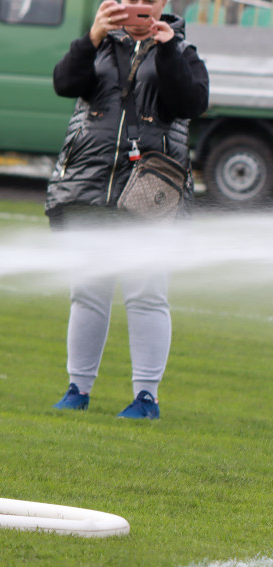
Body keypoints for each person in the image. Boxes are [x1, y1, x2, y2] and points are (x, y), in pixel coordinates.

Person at [44, 0, 208, 420]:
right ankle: (77, 389)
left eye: (149, 1)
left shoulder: (183, 52)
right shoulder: (97, 47)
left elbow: (190, 102)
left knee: (146, 294)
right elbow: (64, 83)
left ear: (163, 5)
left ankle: (146, 398)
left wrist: (168, 50)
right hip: (90, 188)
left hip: (150, 194)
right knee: (87, 291)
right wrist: (92, 36)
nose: (140, 6)